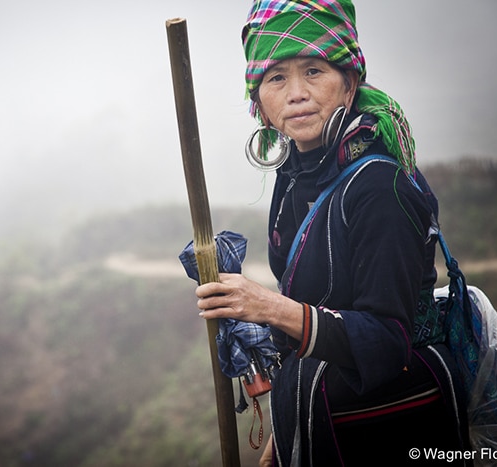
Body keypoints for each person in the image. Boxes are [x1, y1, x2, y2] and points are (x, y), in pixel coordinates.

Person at [194, 1, 471, 465]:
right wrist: (286, 431)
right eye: (276, 77)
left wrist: (270, 307)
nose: (296, 93)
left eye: (314, 71)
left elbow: (386, 343)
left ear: (350, 81)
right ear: (257, 97)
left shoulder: (381, 187)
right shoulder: (296, 172)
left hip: (387, 430)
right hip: (320, 415)